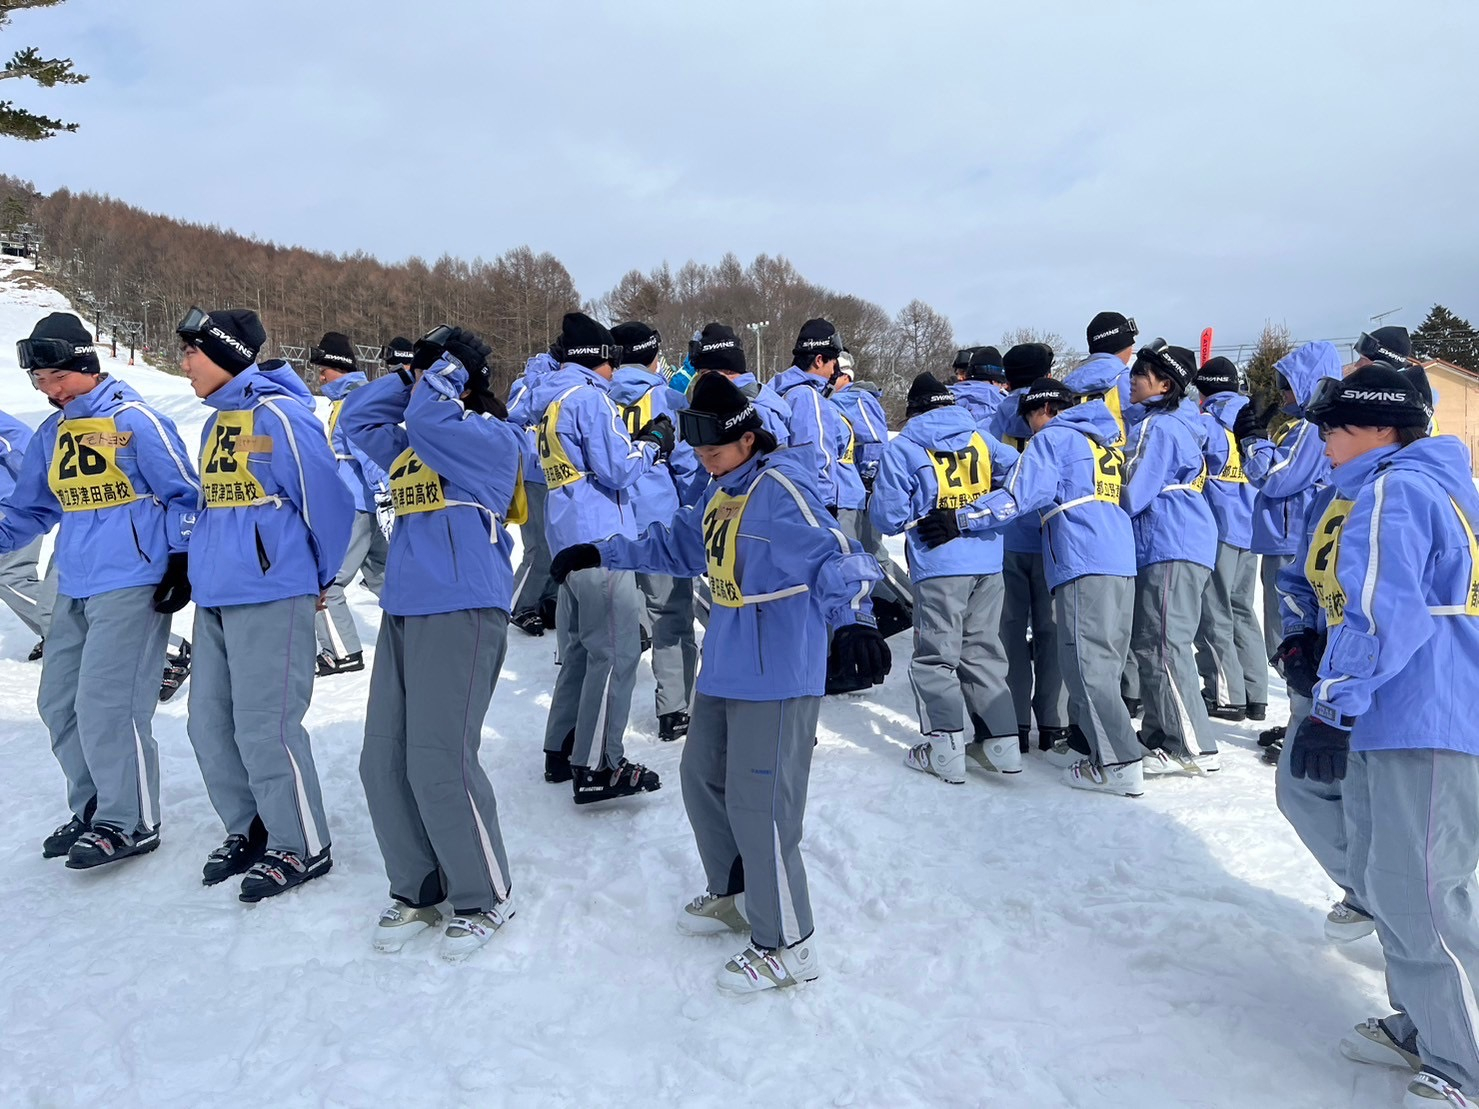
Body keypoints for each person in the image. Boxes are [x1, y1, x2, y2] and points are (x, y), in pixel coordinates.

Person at [550, 371, 889, 992]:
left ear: (749, 438)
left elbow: (839, 553)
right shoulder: (718, 492)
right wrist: (600, 552)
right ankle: (737, 891)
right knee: (701, 778)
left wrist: (854, 623)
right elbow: (678, 546)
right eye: (698, 453)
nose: (705, 462)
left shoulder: (781, 488)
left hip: (780, 669)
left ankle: (788, 943)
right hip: (728, 663)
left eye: (715, 450)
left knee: (762, 804)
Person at [1286, 362, 1479, 1109]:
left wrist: (1335, 705)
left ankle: (1463, 1062)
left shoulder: (1392, 488)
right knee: (1387, 877)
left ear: (1378, 427)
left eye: (1335, 425)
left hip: (1420, 711)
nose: (1325, 438)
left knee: (1422, 891)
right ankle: (1425, 1023)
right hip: (1405, 710)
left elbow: (1378, 606)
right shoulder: (1426, 484)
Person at [340, 325, 522, 961]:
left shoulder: (491, 438)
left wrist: (443, 374)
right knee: (382, 760)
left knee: (440, 758)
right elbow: (354, 423)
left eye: (429, 370)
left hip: (464, 606)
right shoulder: (414, 438)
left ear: (457, 379)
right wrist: (404, 374)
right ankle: (419, 885)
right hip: (405, 607)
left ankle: (483, 895)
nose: (416, 380)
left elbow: (434, 421)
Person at [2, 312, 198, 866]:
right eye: (39, 382)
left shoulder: (136, 420)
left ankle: (129, 819)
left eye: (57, 377)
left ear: (86, 365)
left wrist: (180, 561)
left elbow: (185, 494)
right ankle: (93, 808)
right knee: (58, 701)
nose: (50, 390)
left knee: (108, 705)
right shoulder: (51, 434)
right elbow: (30, 511)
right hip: (75, 581)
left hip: (134, 580)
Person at [178, 306, 353, 901]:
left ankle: (300, 842)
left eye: (192, 353)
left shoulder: (280, 414)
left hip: (273, 590)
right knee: (208, 725)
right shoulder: (213, 425)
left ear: (224, 354)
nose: (184, 365)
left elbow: (327, 500)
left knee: (266, 726)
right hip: (217, 595)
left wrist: (317, 575)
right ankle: (251, 826)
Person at [953, 378, 1143, 796]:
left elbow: (1017, 497)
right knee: (1106, 660)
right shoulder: (1099, 440)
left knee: (1085, 662)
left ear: (1041, 411)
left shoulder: (1053, 439)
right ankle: (1098, 748)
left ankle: (1119, 762)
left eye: (1030, 421)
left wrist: (962, 519)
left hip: (1082, 556)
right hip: (1120, 556)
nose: (1031, 431)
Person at [534, 312, 671, 803]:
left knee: (581, 650)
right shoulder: (590, 399)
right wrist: (652, 446)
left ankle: (564, 745)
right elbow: (617, 470)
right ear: (600, 361)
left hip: (565, 533)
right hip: (600, 537)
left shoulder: (548, 399)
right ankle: (599, 763)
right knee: (616, 651)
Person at [871, 373, 1020, 782]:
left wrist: (917, 510)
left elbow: (886, 517)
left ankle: (945, 750)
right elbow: (1019, 481)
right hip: (987, 560)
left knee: (936, 656)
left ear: (913, 409)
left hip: (938, 565)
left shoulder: (903, 447)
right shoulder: (981, 439)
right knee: (983, 652)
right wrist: (976, 510)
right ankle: (1002, 744)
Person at [1237, 341, 1342, 751]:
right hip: (1292, 535)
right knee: (1288, 634)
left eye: (1287, 384)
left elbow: (1277, 477)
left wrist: (1252, 440)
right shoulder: (1305, 428)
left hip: (1295, 538)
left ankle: (1305, 719)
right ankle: (1298, 716)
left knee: (1291, 634)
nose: (1281, 393)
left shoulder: (1309, 431)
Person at [1121, 342, 1220, 773]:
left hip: (1170, 542)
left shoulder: (1158, 428)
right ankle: (1160, 733)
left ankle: (1191, 746)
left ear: (1165, 384)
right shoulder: (1174, 424)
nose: (1131, 382)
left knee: (1164, 644)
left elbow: (1135, 494)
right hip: (1174, 542)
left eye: (1139, 376)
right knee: (1152, 642)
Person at [609, 319, 700, 743]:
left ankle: (602, 716)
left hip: (610, 521)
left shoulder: (598, 396)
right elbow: (687, 467)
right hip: (660, 522)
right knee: (671, 618)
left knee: (611, 622)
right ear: (653, 354)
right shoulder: (668, 398)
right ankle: (675, 709)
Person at [991, 343, 1070, 753]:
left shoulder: (999, 415)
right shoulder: (1057, 412)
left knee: (1007, 631)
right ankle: (1053, 723)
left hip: (1006, 535)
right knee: (1051, 631)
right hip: (1051, 534)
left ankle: (1016, 721)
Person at [309, 331, 389, 676]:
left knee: (328, 582)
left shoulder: (352, 401)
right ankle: (422, 627)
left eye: (322, 368)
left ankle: (341, 652)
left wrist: (384, 492)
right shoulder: (350, 398)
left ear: (336, 366)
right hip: (363, 503)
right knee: (384, 575)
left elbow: (368, 451)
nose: (319, 375)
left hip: (354, 505)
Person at [1192, 357, 1267, 722]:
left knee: (1215, 612)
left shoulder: (1205, 422)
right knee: (1242, 609)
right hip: (1249, 528)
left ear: (1203, 390)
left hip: (1217, 528)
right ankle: (1256, 693)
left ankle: (1226, 695)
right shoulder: (1249, 417)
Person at [506, 345, 563, 636]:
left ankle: (547, 599)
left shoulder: (575, 379)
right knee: (539, 547)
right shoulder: (530, 381)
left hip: (560, 475)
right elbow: (511, 418)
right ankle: (519, 604)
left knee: (557, 545)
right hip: (533, 474)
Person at [771, 319, 848, 513]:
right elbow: (815, 454)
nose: (833, 372)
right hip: (806, 502)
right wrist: (824, 505)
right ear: (819, 360)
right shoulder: (807, 397)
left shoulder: (776, 390)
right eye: (833, 363)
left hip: (778, 496)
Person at [0, 407, 53, 654]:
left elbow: (18, 442)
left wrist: (36, 493)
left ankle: (167, 653)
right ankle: (55, 632)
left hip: (12, 507)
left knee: (10, 576)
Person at [1065, 311, 1138, 445]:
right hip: (1117, 462)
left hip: (1078, 461)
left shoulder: (1067, 383)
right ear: (1125, 346)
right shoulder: (1128, 381)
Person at [948, 346, 1008, 431]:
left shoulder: (942, 397)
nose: (959, 378)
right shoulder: (1006, 406)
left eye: (963, 372)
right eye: (957, 373)